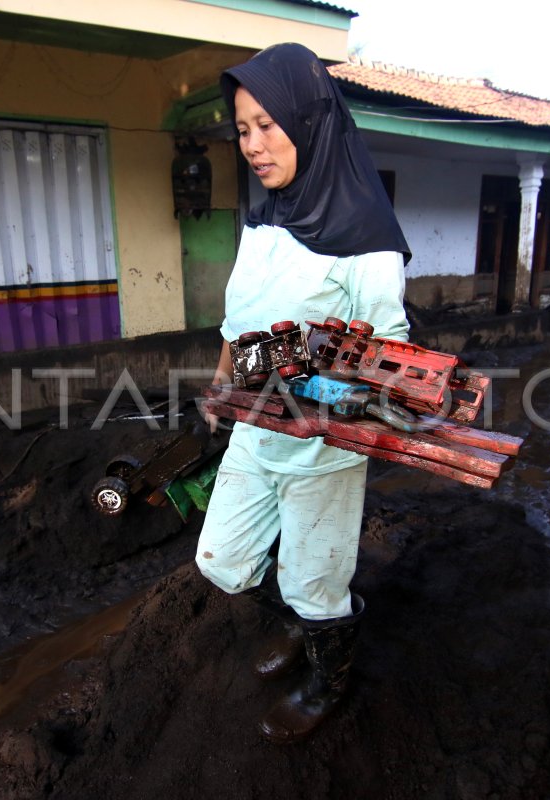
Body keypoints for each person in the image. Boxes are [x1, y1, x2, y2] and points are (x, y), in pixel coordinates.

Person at [194, 42, 410, 744]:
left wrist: (319, 386)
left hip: (323, 447)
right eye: (243, 129)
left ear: (311, 121)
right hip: (256, 431)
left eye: (267, 125)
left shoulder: (367, 241)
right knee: (222, 561)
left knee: (315, 583)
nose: (253, 145)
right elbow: (237, 322)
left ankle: (326, 682)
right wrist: (221, 383)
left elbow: (391, 368)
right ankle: (295, 619)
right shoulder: (262, 221)